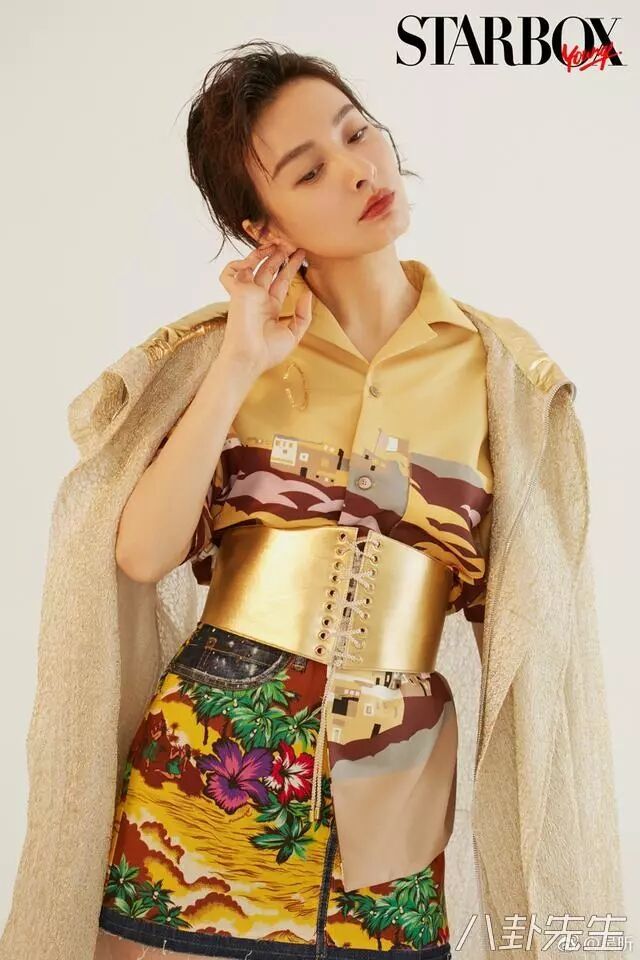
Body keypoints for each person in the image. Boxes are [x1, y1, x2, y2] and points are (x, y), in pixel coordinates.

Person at [0, 40, 623, 960]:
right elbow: (139, 555)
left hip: (396, 763)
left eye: (356, 133)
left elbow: (532, 624)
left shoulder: (501, 374)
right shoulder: (227, 354)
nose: (358, 170)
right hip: (216, 754)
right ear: (263, 227)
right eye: (309, 170)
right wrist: (239, 363)